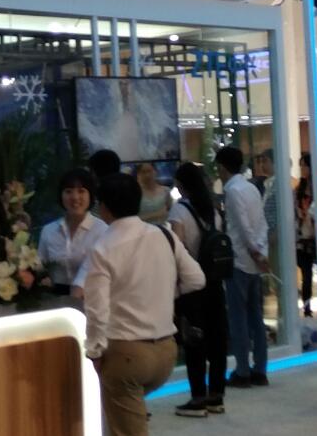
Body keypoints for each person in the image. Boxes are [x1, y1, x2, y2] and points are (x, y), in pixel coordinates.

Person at [84, 173, 205, 436]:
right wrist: (163, 293)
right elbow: (197, 279)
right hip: (166, 352)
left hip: (126, 354)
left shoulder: (103, 247)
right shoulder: (164, 235)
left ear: (103, 207)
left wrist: (94, 351)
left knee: (127, 429)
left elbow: (97, 309)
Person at [169, 162, 228, 418]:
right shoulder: (213, 210)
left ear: (180, 185)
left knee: (194, 340)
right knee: (217, 339)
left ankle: (198, 398)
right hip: (215, 283)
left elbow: (177, 248)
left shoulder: (179, 210)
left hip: (192, 285)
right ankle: (216, 396)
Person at [216, 146, 270, 388]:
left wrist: (254, 251)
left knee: (238, 319)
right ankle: (260, 369)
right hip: (254, 260)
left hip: (239, 259)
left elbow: (242, 226)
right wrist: (261, 253)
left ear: (222, 167)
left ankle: (242, 371)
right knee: (256, 317)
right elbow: (260, 224)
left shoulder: (233, 191)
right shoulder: (251, 188)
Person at [38, 168, 104, 297]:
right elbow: (39, 267)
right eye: (68, 191)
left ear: (90, 195)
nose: (75, 197)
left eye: (81, 191)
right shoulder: (49, 230)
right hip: (55, 300)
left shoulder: (102, 230)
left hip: (92, 299)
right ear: (61, 196)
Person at [295, 156, 315, 318]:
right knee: (306, 274)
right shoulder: (298, 189)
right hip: (302, 236)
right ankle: (307, 308)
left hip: (315, 235)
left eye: (304, 166)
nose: (302, 169)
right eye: (301, 166)